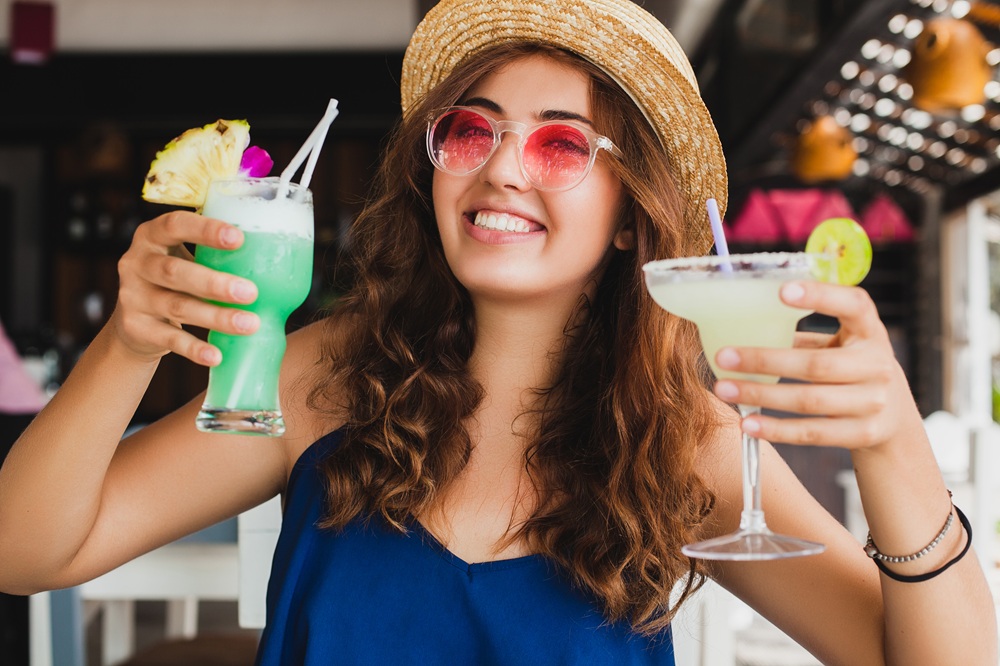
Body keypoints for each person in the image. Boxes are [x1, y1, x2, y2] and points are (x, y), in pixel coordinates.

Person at [0, 0, 996, 663]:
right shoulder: (328, 379)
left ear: (626, 218)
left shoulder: (678, 441)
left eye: (562, 144)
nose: (502, 170)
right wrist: (126, 346)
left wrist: (895, 449)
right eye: (471, 131)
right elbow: (23, 553)